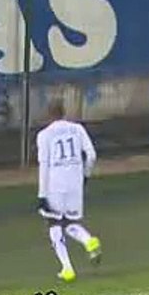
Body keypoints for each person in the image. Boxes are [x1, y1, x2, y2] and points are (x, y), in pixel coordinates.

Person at [35, 98, 101, 283]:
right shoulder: (78, 129)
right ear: (64, 111)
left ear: (49, 114)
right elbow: (92, 155)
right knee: (71, 221)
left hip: (55, 183)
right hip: (75, 181)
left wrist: (42, 194)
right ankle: (88, 241)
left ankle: (67, 268)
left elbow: (44, 165)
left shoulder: (44, 135)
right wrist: (85, 175)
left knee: (54, 223)